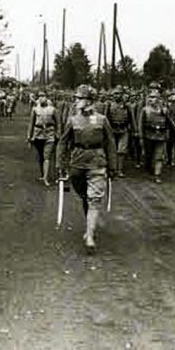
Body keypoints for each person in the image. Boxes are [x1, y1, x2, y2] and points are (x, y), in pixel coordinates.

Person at [56, 84, 117, 252]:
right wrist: (60, 165)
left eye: (79, 98)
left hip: (97, 162)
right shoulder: (72, 120)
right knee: (83, 195)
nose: (76, 101)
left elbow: (110, 143)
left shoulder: (102, 120)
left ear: (89, 100)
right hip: (77, 163)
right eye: (76, 98)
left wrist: (113, 166)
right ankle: (89, 224)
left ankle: (90, 235)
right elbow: (62, 143)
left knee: (94, 199)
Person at [139, 84, 170, 183]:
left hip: (161, 136)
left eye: (156, 97)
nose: (153, 100)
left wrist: (168, 133)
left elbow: (169, 123)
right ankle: (148, 167)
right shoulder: (145, 110)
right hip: (149, 135)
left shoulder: (164, 110)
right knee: (149, 155)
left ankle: (157, 175)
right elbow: (141, 124)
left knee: (159, 156)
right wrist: (141, 137)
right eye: (151, 97)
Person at [27, 91, 57, 185]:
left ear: (47, 97)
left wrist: (58, 134)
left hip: (49, 134)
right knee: (41, 156)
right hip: (38, 134)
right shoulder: (35, 109)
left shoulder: (52, 109)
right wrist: (29, 137)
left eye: (43, 96)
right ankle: (43, 174)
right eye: (39, 96)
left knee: (47, 156)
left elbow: (57, 123)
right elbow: (31, 124)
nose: (41, 98)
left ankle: (46, 178)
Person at [105, 87, 132, 177]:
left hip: (123, 129)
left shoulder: (126, 106)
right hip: (112, 129)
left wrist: (134, 129)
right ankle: (112, 168)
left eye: (119, 93)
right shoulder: (109, 105)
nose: (117, 96)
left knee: (121, 150)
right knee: (111, 149)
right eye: (115, 94)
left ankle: (120, 169)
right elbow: (105, 118)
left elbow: (131, 118)